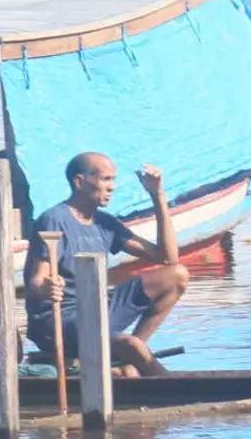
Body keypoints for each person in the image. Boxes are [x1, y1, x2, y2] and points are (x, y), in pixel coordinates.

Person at [23, 153, 189, 377]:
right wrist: (48, 287)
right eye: (105, 179)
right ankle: (168, 385)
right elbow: (35, 284)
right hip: (62, 321)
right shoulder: (53, 220)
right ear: (79, 182)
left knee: (176, 275)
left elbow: (167, 258)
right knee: (131, 345)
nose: (112, 187)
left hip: (98, 308)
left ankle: (130, 359)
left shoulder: (105, 223)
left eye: (113, 180)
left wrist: (157, 195)